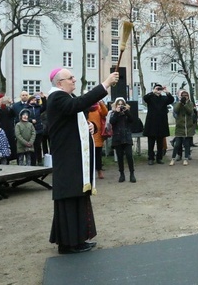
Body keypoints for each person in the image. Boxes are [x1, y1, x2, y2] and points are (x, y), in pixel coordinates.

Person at [47, 67, 119, 255]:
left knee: (77, 195)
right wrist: (105, 84)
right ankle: (68, 243)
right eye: (70, 78)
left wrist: (88, 125)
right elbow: (78, 104)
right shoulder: (56, 97)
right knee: (69, 198)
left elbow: (76, 115)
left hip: (74, 156)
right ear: (59, 83)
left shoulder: (66, 99)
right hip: (67, 157)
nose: (74, 80)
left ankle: (77, 239)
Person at [142, 84, 174, 165]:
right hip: (151, 123)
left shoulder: (164, 98)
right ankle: (150, 158)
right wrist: (153, 92)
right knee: (151, 142)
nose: (158, 90)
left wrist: (167, 92)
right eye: (157, 88)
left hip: (161, 123)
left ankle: (159, 158)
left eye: (160, 89)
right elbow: (145, 98)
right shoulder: (150, 97)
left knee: (160, 143)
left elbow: (171, 100)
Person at [110, 97, 136, 183]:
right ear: (116, 105)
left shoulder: (127, 113)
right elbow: (112, 122)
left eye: (122, 104)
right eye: (119, 104)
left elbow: (132, 120)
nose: (120, 106)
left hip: (127, 137)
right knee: (120, 157)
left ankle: (132, 173)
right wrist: (117, 112)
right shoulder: (113, 113)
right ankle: (122, 174)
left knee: (129, 155)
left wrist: (126, 111)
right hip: (118, 138)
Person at [169, 89, 195, 166]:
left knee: (187, 144)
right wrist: (180, 103)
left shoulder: (190, 103)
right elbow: (176, 110)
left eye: (186, 96)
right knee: (177, 144)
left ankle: (186, 158)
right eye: (183, 96)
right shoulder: (177, 103)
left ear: (188, 96)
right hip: (180, 127)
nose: (185, 97)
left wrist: (185, 104)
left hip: (188, 127)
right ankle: (173, 158)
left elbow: (190, 112)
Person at [0, 95, 18, 164]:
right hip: (0, 130)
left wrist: (11, 104)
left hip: (9, 129)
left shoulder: (8, 108)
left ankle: (9, 159)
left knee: (10, 145)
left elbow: (14, 114)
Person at [87, 100, 108, 179]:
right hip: (88, 135)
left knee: (98, 155)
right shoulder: (85, 108)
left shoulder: (98, 108)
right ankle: (89, 172)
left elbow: (105, 113)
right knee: (89, 156)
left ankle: (99, 170)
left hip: (97, 135)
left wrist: (101, 103)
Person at [26, 94, 47, 165]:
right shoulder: (26, 108)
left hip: (39, 129)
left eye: (35, 100)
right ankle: (33, 162)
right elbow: (24, 118)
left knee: (38, 146)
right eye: (32, 100)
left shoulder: (38, 108)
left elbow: (45, 107)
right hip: (30, 130)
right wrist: (31, 120)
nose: (34, 101)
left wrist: (43, 98)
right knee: (32, 146)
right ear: (29, 101)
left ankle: (40, 160)